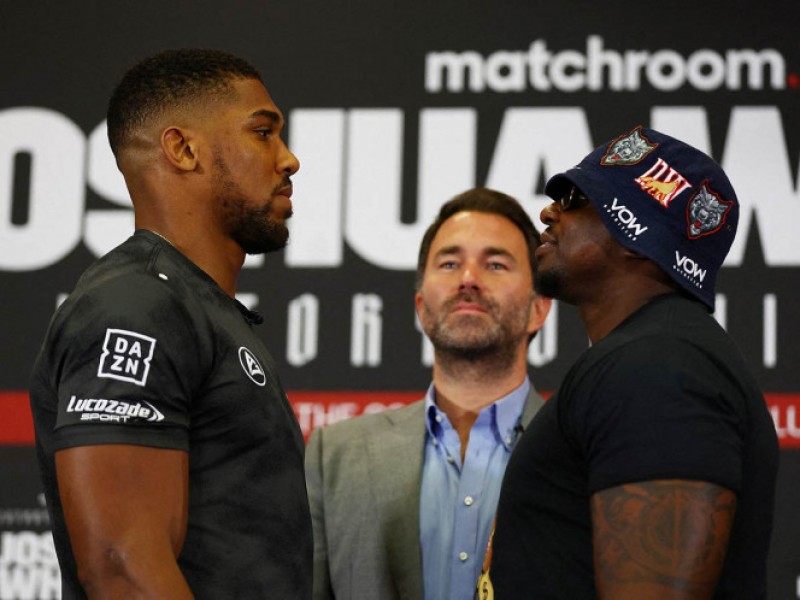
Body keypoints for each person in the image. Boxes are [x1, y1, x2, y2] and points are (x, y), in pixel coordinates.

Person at [29, 48, 312, 599]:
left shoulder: (195, 307)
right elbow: (121, 567)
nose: (289, 159)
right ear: (183, 149)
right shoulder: (136, 306)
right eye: (263, 132)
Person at [485, 126, 779, 599]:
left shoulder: (658, 368)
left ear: (636, 231)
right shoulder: (652, 357)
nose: (548, 211)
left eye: (575, 199)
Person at [305, 187, 553, 600]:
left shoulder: (579, 453)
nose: (468, 279)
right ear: (421, 307)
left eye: (495, 264)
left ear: (539, 308)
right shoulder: (334, 455)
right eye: (450, 263)